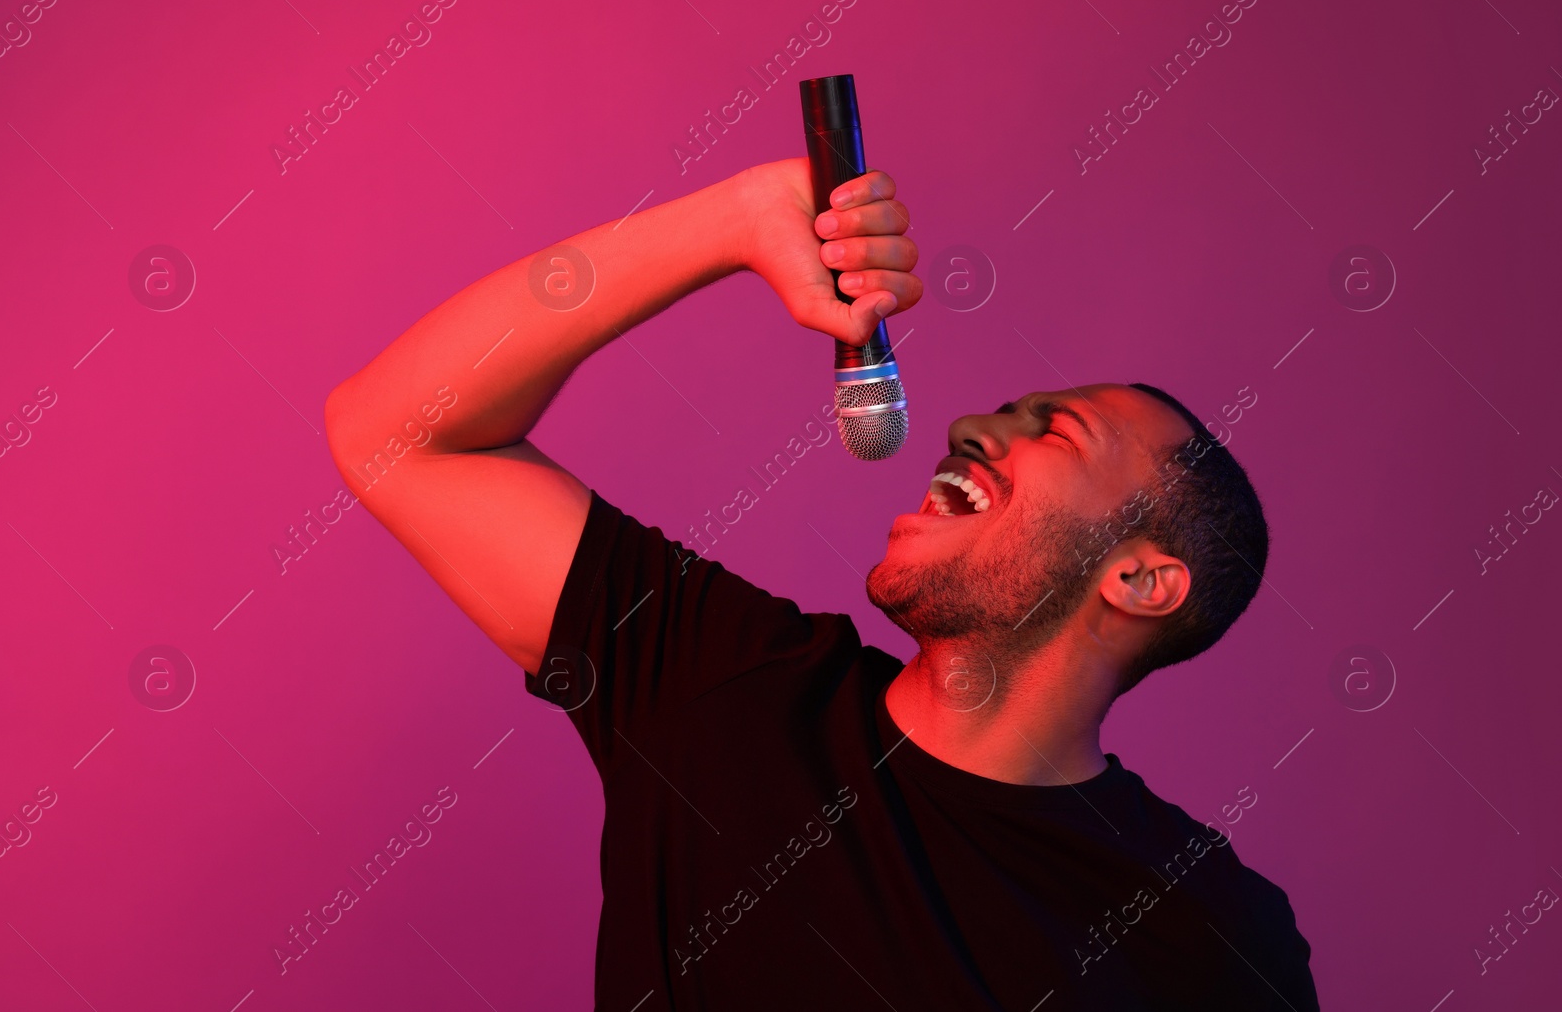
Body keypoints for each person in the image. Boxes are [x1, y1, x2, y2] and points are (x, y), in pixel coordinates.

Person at [323, 158, 1320, 1010]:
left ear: (1142, 578)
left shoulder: (1208, 929)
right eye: (1008, 408)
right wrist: (739, 216)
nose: (977, 426)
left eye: (1056, 431)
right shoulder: (729, 687)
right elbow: (400, 430)